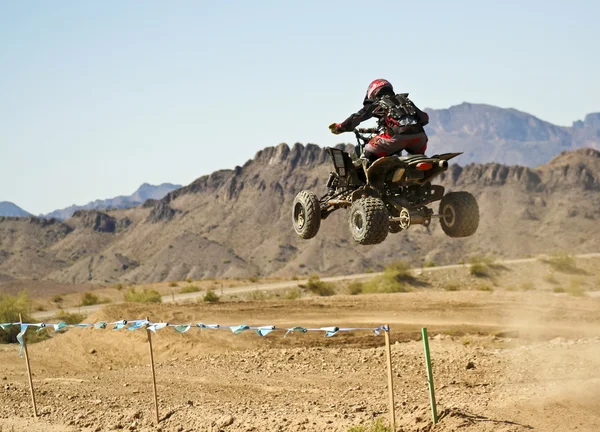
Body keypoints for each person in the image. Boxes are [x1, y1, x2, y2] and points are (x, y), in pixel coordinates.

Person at [329, 79, 430, 161]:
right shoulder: (406, 101)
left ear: (373, 92)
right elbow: (425, 118)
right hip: (420, 138)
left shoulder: (377, 102)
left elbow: (357, 117)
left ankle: (373, 179)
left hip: (395, 137)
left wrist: (340, 127)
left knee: (367, 151)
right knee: (416, 157)